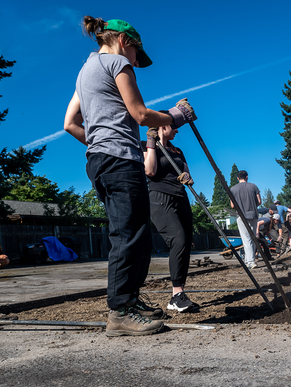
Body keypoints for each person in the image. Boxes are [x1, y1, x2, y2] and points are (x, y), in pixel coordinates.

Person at [63, 16, 195, 337]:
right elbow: (139, 113)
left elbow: (69, 123)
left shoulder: (85, 72)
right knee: (129, 234)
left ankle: (130, 302)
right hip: (120, 161)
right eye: (138, 53)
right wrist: (179, 116)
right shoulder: (118, 63)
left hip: (100, 160)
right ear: (125, 42)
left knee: (133, 232)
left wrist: (100, 142)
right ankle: (121, 310)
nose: (137, 61)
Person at [144, 125, 198, 313]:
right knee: (178, 238)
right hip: (160, 198)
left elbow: (185, 171)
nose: (176, 131)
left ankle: (178, 295)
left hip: (181, 197)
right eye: (173, 127)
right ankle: (177, 294)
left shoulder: (177, 150)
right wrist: (151, 143)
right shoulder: (147, 145)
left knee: (185, 243)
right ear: (161, 127)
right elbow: (149, 171)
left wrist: (186, 176)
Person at [230, 170, 261, 269]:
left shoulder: (233, 189)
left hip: (241, 215)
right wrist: (252, 206)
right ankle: (248, 260)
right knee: (252, 238)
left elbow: (232, 205)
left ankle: (251, 261)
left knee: (246, 238)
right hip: (253, 214)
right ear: (247, 177)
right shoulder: (254, 186)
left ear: (237, 178)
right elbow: (259, 201)